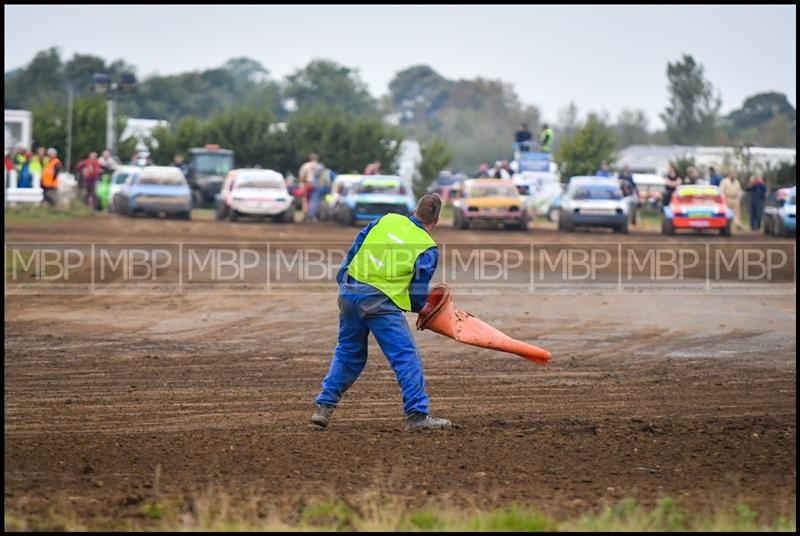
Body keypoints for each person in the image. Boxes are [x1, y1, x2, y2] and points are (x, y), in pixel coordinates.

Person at [310, 193, 453, 431]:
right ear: (436, 220)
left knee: (348, 353)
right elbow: (418, 292)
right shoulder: (427, 247)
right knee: (406, 357)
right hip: (379, 303)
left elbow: (356, 246)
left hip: (350, 292)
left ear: (414, 210)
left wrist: (343, 281)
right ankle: (417, 415)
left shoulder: (385, 220)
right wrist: (420, 309)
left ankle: (323, 408)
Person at [298, 153, 320, 220]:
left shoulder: (305, 165)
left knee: (305, 199)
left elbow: (302, 177)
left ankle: (306, 215)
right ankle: (313, 215)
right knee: (314, 200)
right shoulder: (319, 166)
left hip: (307, 184)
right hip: (316, 185)